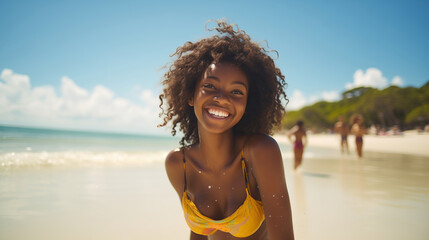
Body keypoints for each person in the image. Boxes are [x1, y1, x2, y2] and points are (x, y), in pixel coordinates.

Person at [159, 20, 294, 240]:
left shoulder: (260, 152)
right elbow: (199, 232)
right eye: (210, 86)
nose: (222, 99)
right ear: (190, 96)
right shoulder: (177, 164)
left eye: (237, 92)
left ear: (248, 103)